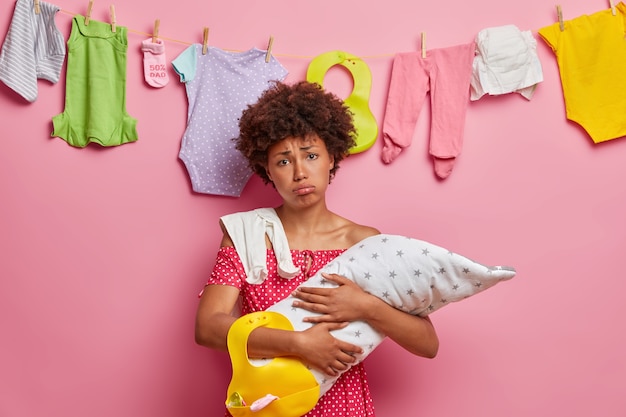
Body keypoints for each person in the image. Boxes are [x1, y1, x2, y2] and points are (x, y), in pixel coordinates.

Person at [194, 80, 439, 417]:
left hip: (345, 407)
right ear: (267, 169)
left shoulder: (363, 242)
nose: (299, 173)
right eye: (283, 161)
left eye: (310, 155)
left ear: (331, 158)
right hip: (267, 404)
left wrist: (367, 306)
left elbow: (427, 343)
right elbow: (208, 328)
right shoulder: (245, 235)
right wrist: (299, 345)